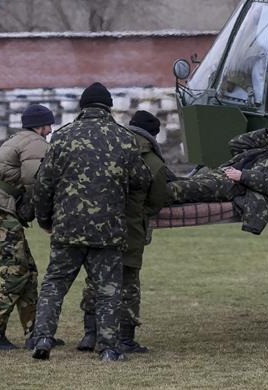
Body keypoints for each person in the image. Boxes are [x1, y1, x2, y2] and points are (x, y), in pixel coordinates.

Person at [29, 82, 149, 362]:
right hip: (108, 229)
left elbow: (43, 184)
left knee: (54, 284)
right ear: (108, 106)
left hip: (67, 227)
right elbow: (142, 179)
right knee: (108, 289)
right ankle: (108, 348)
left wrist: (46, 220)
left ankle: (43, 337)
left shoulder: (62, 137)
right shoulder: (124, 138)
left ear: (82, 106)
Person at [77, 110, 169, 354]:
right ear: (152, 136)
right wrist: (138, 213)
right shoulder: (154, 163)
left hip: (98, 223)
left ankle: (90, 334)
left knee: (96, 278)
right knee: (128, 282)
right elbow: (157, 200)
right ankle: (125, 339)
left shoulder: (107, 147)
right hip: (130, 229)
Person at [0, 104, 55, 350]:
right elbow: (37, 182)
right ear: (39, 125)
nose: (50, 130)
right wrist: (44, 217)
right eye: (47, 125)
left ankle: (35, 333)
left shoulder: (18, 139)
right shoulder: (34, 143)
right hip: (1, 209)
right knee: (16, 273)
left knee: (28, 271)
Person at [168, 127, 268, 235]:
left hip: (232, 186)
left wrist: (243, 176)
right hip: (218, 175)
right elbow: (235, 144)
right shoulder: (262, 152)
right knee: (173, 180)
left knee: (180, 189)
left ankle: (154, 193)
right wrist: (266, 136)